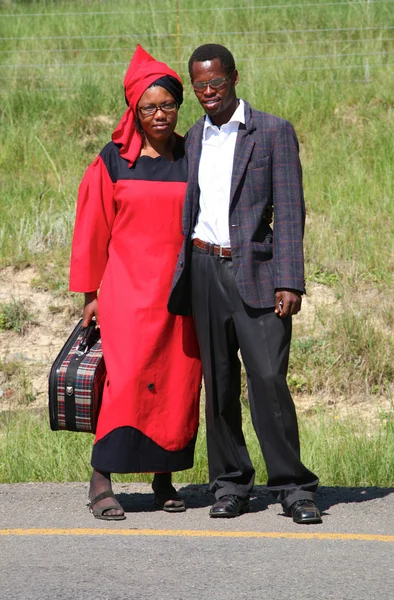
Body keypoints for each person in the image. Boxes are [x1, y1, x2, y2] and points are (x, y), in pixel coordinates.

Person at [168, 43, 322, 524]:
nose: (208, 93)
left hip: (257, 271)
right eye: (199, 86)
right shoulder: (193, 137)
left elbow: (291, 210)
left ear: (235, 78)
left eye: (216, 83)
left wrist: (290, 280)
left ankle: (293, 486)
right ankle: (231, 484)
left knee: (269, 380)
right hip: (204, 270)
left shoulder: (272, 132)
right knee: (217, 384)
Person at [70, 45, 202, 520]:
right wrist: (91, 295)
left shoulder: (194, 155)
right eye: (150, 106)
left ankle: (163, 479)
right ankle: (101, 480)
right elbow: (92, 229)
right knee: (123, 383)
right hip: (126, 293)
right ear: (135, 110)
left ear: (178, 106)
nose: (160, 114)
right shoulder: (113, 160)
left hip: (182, 292)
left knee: (177, 383)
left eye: (167, 104)